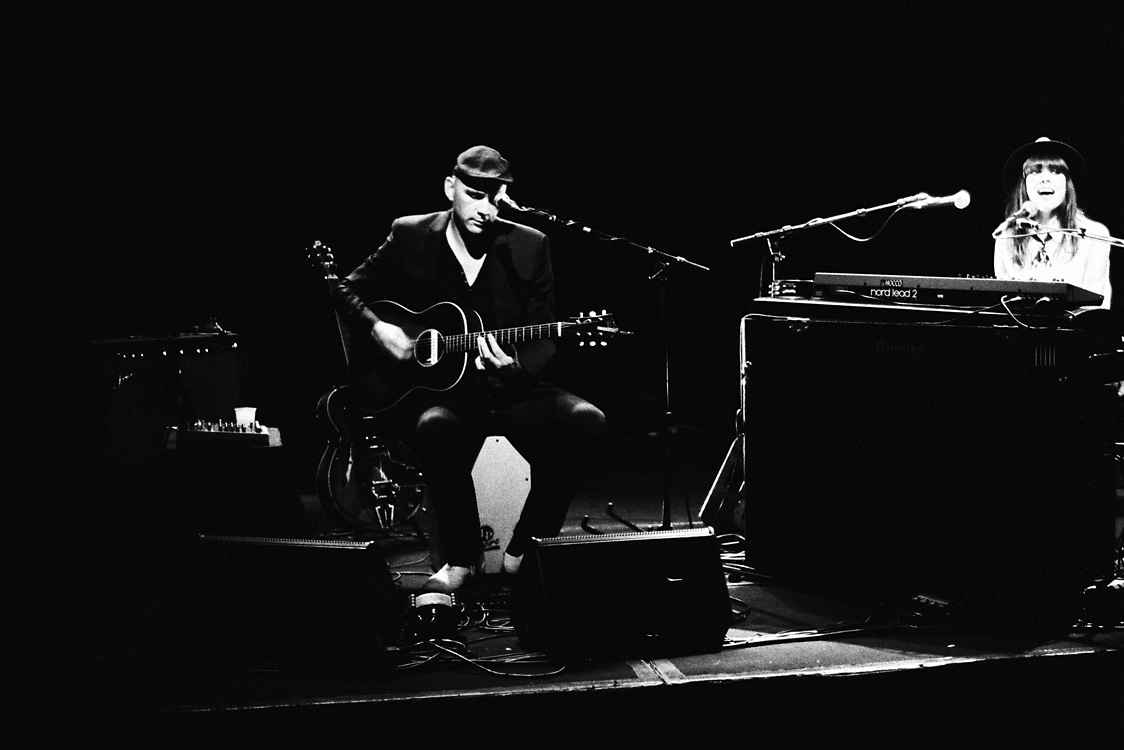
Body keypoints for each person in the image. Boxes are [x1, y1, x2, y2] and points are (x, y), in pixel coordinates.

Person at [334, 145, 607, 592]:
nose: (485, 208)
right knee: (433, 426)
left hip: (513, 388)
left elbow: (546, 337)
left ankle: (525, 548)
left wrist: (516, 370)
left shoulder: (529, 245)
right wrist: (377, 327)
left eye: (496, 197)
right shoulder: (411, 234)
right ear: (451, 188)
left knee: (587, 421)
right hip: (449, 393)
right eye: (474, 194)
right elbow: (345, 288)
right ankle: (463, 560)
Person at [993, 136, 1112, 309]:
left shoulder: (1094, 235)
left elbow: (1093, 309)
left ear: (1067, 184)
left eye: (1056, 171)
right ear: (1024, 185)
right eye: (1035, 171)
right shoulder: (1006, 236)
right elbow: (1004, 306)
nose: (1045, 179)